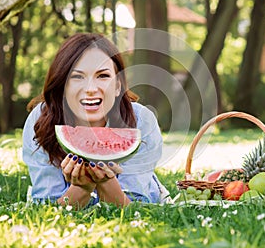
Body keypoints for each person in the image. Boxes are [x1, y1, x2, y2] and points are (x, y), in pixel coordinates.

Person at [22, 33, 169, 209]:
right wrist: (82, 188)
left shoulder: (141, 121)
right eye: (77, 77)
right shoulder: (41, 121)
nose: (91, 89)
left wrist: (106, 182)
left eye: (103, 76)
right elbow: (48, 208)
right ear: (62, 86)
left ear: (118, 86)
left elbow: (134, 208)